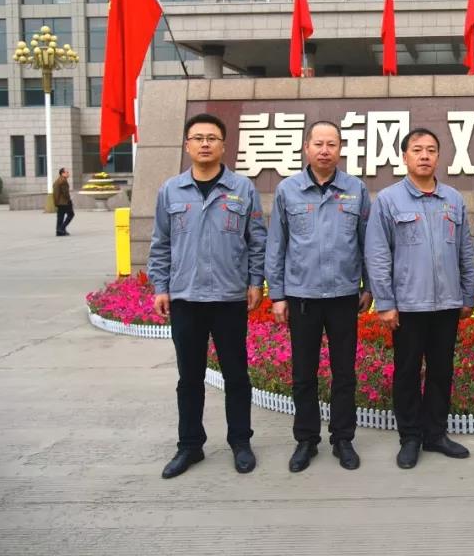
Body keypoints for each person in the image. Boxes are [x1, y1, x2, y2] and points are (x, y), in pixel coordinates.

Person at [147, 114, 267, 479]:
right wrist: (161, 287)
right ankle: (190, 445)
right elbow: (161, 243)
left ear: (223, 146)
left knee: (236, 375)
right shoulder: (171, 190)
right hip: (186, 298)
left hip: (229, 298)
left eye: (211, 138)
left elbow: (257, 240)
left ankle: (240, 442)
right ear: (187, 145)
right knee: (189, 378)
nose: (204, 144)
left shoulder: (242, 188)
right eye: (197, 138)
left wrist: (256, 281)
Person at [365, 128, 474, 469]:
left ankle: (436, 434)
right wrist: (385, 303)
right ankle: (410, 437)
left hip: (447, 304)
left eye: (431, 149)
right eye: (417, 149)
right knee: (408, 372)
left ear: (438, 157)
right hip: (409, 305)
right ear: (405, 157)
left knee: (442, 371)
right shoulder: (388, 200)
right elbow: (378, 254)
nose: (425, 155)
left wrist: (468, 294)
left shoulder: (453, 199)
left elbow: (465, 249)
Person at [266, 121, 372, 473]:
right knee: (303, 373)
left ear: (340, 149)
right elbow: (276, 244)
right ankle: (306, 440)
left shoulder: (356, 189)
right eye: (319, 144)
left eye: (332, 144)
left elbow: (367, 243)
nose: (325, 150)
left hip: (343, 295)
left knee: (344, 373)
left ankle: (343, 438)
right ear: (306, 148)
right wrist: (277, 295)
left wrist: (369, 287)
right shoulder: (288, 190)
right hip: (302, 296)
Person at [53, 168, 74, 236]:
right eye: (67, 172)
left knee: (60, 217)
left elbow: (55, 193)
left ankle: (58, 231)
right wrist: (69, 199)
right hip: (65, 202)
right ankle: (61, 228)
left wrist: (56, 202)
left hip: (59, 202)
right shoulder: (63, 181)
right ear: (62, 173)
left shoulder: (58, 180)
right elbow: (65, 193)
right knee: (71, 214)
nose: (68, 173)